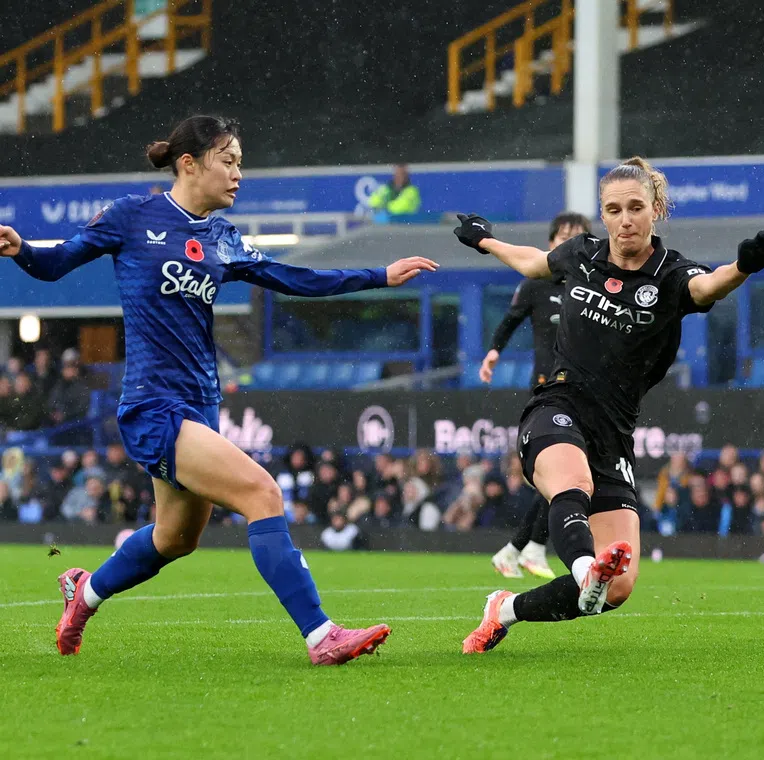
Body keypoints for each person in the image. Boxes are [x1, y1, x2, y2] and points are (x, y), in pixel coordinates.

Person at [0, 115, 438, 665]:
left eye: (240, 164)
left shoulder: (222, 238)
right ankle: (321, 635)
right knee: (263, 493)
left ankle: (82, 593)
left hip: (199, 407)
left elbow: (290, 277)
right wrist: (21, 249)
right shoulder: (132, 217)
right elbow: (57, 261)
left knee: (175, 538)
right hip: (153, 407)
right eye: (228, 162)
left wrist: (378, 275)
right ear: (190, 164)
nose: (238, 175)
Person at [452, 156, 764, 653]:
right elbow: (530, 262)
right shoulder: (579, 254)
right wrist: (484, 239)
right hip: (555, 407)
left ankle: (504, 609)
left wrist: (742, 267)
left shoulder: (672, 275)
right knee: (574, 485)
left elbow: (707, 285)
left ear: (655, 211)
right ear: (602, 216)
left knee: (620, 587)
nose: (625, 219)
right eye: (614, 209)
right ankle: (587, 569)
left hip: (613, 433)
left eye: (635, 208)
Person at [484, 211, 591, 581]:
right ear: (550, 243)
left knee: (562, 479)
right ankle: (529, 548)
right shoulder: (537, 282)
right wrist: (494, 351)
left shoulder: (591, 284)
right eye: (563, 236)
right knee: (564, 475)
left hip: (584, 389)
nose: (569, 243)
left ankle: (517, 549)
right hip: (549, 388)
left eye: (578, 237)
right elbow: (511, 318)